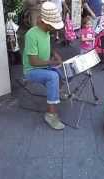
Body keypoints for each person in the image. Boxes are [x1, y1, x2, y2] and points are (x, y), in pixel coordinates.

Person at [22, 1, 66, 130]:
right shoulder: (31, 34)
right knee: (53, 76)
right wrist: (51, 62)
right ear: (45, 22)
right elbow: (33, 62)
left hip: (42, 67)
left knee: (64, 72)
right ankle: (50, 115)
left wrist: (54, 53)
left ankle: (56, 93)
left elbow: (47, 45)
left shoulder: (46, 31)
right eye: (53, 25)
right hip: (31, 70)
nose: (55, 28)